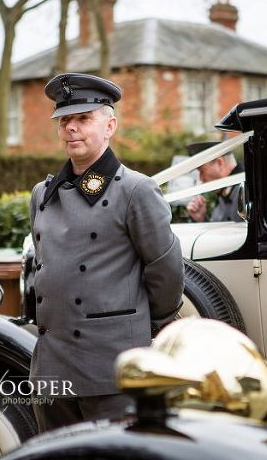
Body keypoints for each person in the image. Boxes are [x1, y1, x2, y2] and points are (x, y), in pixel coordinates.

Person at [28, 73, 184, 432]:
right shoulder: (42, 194)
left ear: (110, 126)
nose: (71, 128)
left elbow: (165, 269)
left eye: (84, 118)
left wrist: (149, 328)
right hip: (52, 368)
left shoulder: (136, 189)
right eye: (64, 120)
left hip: (112, 366)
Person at [185, 141, 244, 222]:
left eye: (202, 171)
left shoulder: (245, 189)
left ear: (219, 163)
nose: (200, 178)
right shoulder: (226, 189)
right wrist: (201, 219)